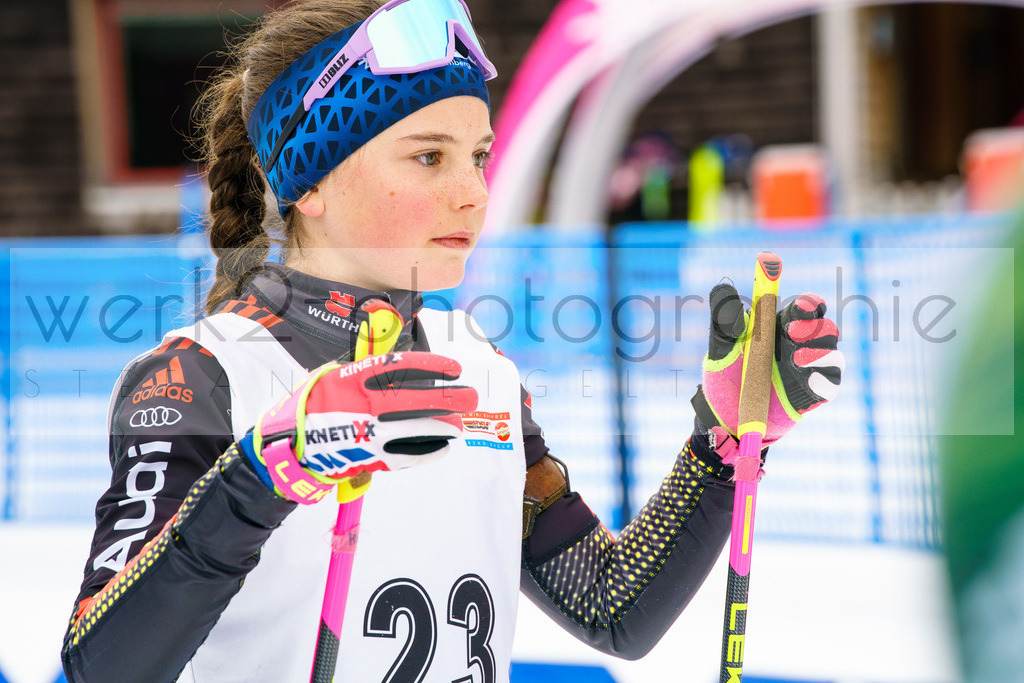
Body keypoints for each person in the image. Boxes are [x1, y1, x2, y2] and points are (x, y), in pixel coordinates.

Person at [60, 0, 844, 680]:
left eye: (478, 157)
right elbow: (105, 665)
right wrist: (261, 474)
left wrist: (720, 447)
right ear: (311, 180)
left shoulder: (478, 369)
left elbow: (610, 606)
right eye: (429, 156)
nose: (473, 193)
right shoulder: (202, 376)